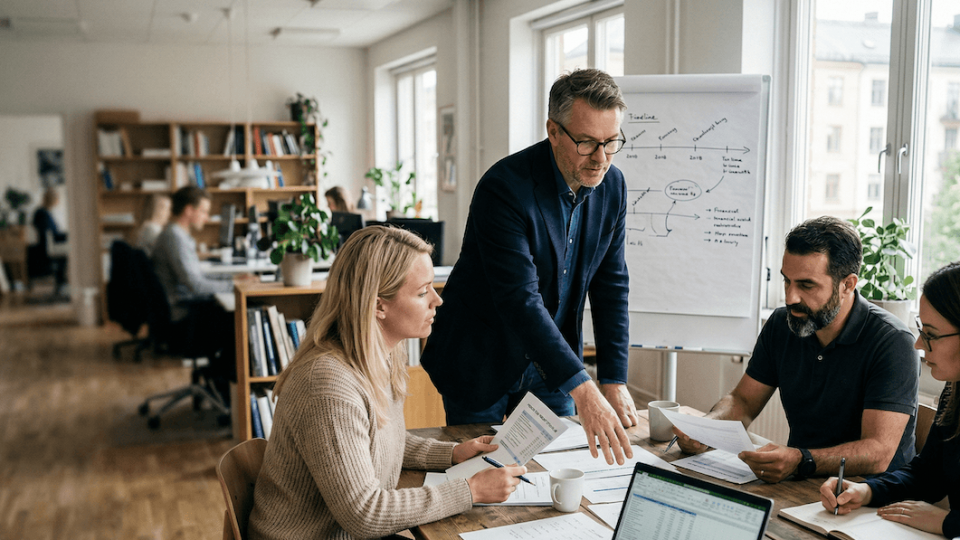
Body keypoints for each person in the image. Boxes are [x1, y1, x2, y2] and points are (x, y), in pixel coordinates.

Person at [248, 226, 524, 540]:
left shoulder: (377, 357)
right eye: (422, 292)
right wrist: (469, 491)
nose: (437, 300)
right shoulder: (327, 385)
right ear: (379, 306)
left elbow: (377, 441)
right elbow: (365, 514)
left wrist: (452, 454)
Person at [420, 68, 637, 466]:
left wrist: (613, 378)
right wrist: (585, 390)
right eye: (587, 143)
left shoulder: (614, 186)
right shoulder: (504, 188)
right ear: (553, 131)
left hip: (551, 364)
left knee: (555, 474)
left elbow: (611, 284)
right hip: (482, 359)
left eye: (611, 142)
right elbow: (520, 298)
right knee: (477, 478)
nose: (601, 158)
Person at [674, 216, 920, 483]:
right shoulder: (782, 324)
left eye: (806, 285)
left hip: (873, 496)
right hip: (803, 481)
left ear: (847, 284)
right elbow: (743, 402)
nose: (790, 297)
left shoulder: (893, 342)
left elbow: (878, 452)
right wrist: (707, 429)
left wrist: (801, 460)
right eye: (786, 281)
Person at [819, 261, 960, 538]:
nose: (919, 344)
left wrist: (949, 523)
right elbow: (927, 476)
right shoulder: (954, 392)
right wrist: (867, 490)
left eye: (930, 334)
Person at [152, 187, 249, 395]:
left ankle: (218, 377)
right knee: (242, 321)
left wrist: (233, 280)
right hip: (183, 318)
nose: (206, 217)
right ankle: (224, 384)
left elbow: (198, 280)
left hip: (185, 309)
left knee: (235, 314)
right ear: (189, 210)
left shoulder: (178, 235)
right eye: (204, 211)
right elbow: (196, 285)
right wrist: (237, 286)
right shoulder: (174, 238)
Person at [30, 187, 68, 294]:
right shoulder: (42, 214)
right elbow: (49, 234)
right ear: (53, 199)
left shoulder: (44, 212)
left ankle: (62, 282)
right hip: (45, 247)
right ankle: (62, 282)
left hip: (47, 244)